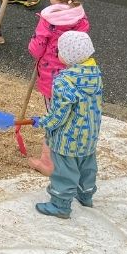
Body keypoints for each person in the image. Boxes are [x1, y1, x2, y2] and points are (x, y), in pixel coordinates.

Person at [30, 30, 102, 219]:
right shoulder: (95, 74)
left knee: (64, 171)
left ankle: (61, 205)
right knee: (87, 166)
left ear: (69, 55)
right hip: (90, 135)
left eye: (60, 51)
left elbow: (59, 114)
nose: (57, 54)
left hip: (68, 139)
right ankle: (85, 195)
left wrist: (43, 122)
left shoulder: (64, 81)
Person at [26, 0, 91, 175]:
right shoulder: (81, 19)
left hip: (51, 79)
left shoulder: (48, 19)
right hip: (74, 78)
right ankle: (70, 159)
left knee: (54, 119)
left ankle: (48, 162)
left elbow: (36, 49)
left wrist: (34, 46)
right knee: (68, 118)